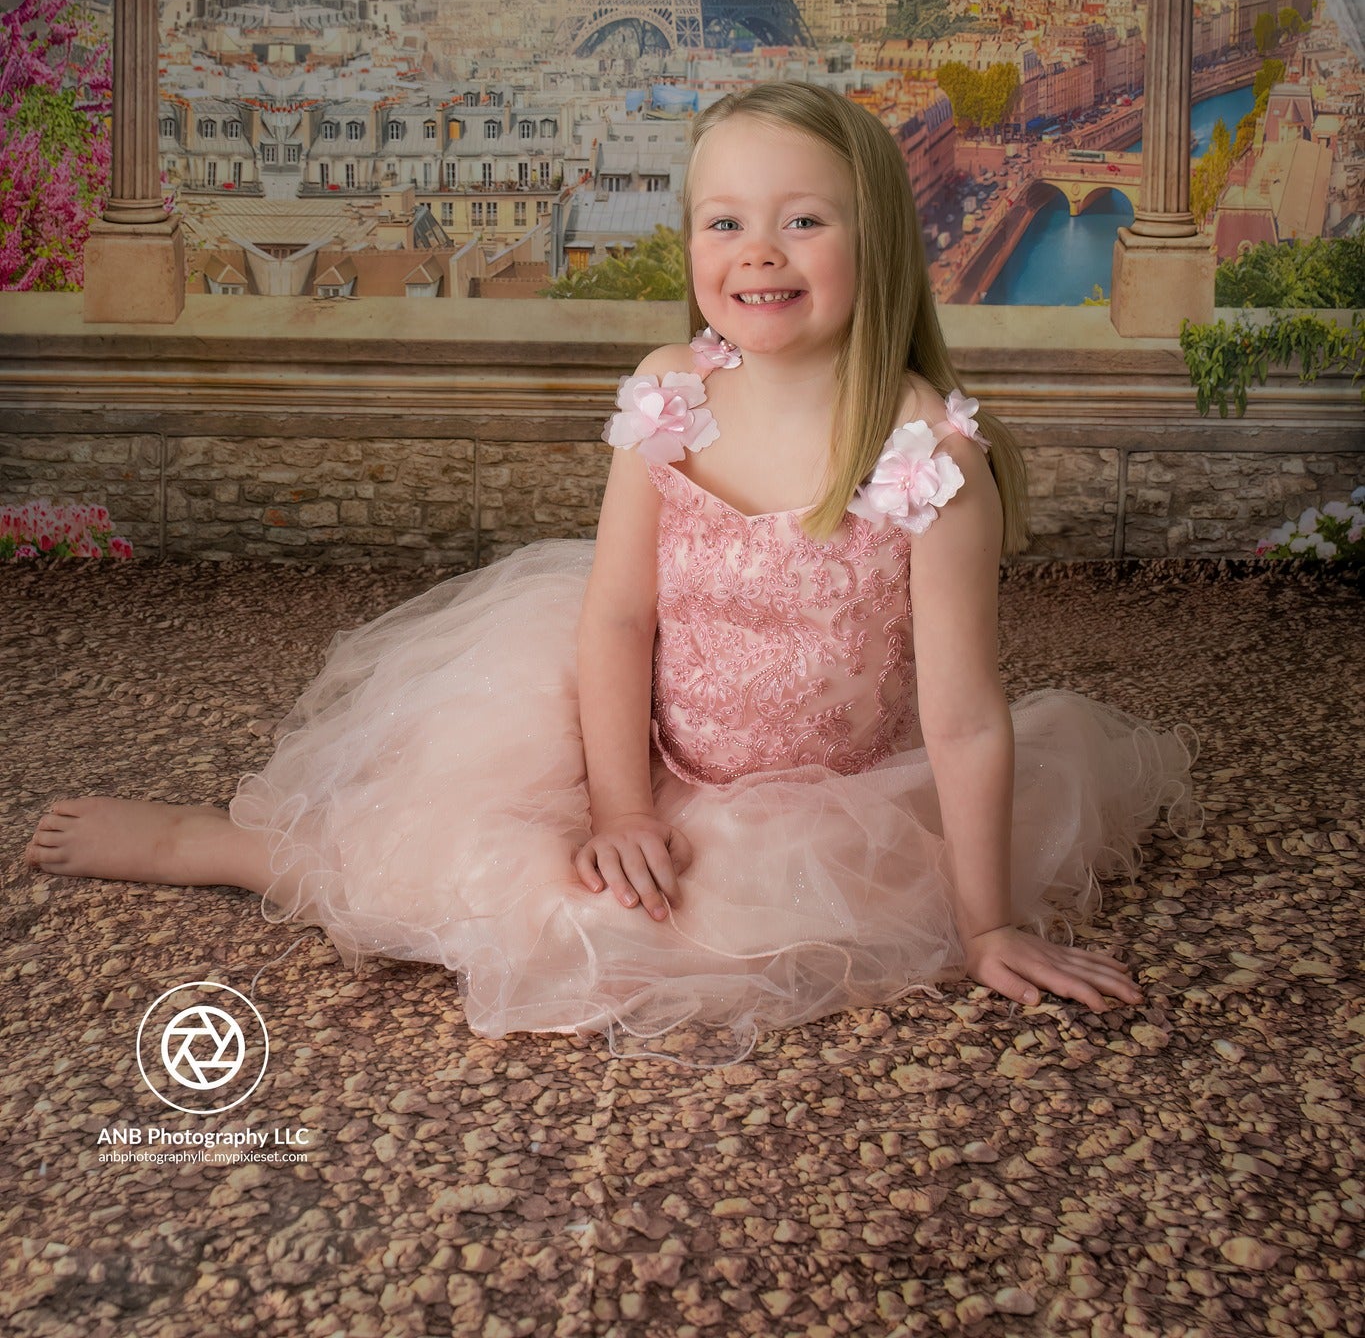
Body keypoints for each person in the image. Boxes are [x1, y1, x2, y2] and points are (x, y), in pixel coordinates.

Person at [25, 82, 1202, 1068]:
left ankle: (303, 854)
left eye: (803, 222)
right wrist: (621, 802)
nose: (757, 251)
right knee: (471, 858)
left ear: (880, 239)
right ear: (690, 241)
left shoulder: (926, 458)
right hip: (638, 731)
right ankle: (231, 847)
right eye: (724, 221)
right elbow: (621, 614)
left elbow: (961, 714)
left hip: (819, 793)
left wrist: (987, 917)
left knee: (625, 934)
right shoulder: (673, 390)